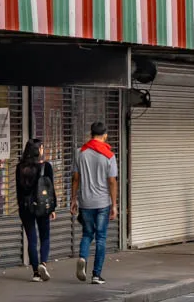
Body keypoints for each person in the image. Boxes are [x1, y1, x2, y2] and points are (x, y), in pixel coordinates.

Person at [71, 121, 118, 286]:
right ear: (105, 135)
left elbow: (76, 178)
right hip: (102, 203)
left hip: (85, 202)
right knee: (101, 238)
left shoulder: (80, 152)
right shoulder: (109, 155)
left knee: (87, 234)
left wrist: (73, 199)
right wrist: (114, 205)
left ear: (91, 134)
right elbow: (112, 181)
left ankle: (83, 257)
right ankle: (96, 275)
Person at [17, 138, 56, 282]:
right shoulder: (46, 167)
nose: (43, 150)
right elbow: (50, 190)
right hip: (42, 207)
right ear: (38, 150)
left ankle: (35, 273)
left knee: (32, 240)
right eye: (42, 148)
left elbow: (18, 191)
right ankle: (43, 264)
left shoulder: (19, 167)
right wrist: (52, 208)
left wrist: (21, 207)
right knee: (45, 236)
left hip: (26, 208)